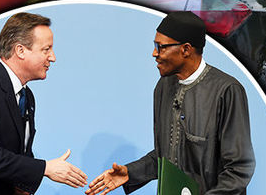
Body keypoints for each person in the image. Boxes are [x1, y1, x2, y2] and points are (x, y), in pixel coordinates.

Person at [86, 11, 255, 195]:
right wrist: (130, 173)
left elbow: (239, 169)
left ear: (186, 49)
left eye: (161, 47)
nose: (154, 53)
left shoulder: (227, 91)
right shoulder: (163, 87)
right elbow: (164, 156)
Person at [0, 12, 88, 194]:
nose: (53, 57)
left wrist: (20, 186)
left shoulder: (27, 96)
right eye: (46, 49)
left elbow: (20, 153)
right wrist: (45, 168)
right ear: (20, 50)